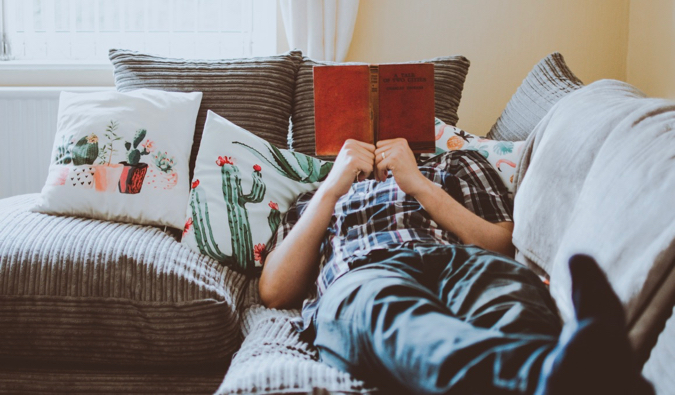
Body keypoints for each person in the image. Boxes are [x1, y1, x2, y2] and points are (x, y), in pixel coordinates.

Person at [259, 138, 653, 394]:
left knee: (509, 295)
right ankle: (560, 375)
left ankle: (570, 366)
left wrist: (418, 183)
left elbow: (501, 247)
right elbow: (274, 292)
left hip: (461, 261)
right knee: (393, 313)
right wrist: (331, 188)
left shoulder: (458, 163)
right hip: (364, 272)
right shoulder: (315, 197)